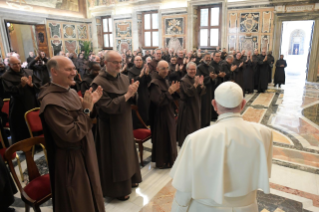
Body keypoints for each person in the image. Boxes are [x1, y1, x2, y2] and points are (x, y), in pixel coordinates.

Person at [170, 81, 273, 212]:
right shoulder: (264, 133)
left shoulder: (196, 139)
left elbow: (184, 188)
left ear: (214, 105)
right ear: (243, 104)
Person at [39, 56, 105, 212]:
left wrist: (91, 105)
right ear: (54, 72)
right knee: (78, 202)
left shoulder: (71, 92)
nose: (74, 72)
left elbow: (85, 117)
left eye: (74, 68)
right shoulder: (50, 102)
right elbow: (72, 134)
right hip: (72, 160)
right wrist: (87, 109)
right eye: (68, 69)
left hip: (85, 152)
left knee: (92, 192)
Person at [92, 51, 142, 201]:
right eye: (115, 62)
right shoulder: (98, 82)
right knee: (116, 157)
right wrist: (126, 95)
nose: (119, 65)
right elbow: (107, 106)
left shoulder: (125, 78)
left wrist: (134, 94)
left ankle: (131, 179)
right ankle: (118, 190)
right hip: (110, 127)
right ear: (105, 63)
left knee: (127, 152)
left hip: (125, 122)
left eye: (120, 62)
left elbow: (132, 99)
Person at [2, 56, 40, 144]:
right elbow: (8, 92)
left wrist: (32, 85)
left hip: (32, 101)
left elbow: (38, 84)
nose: (18, 66)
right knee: (21, 126)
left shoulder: (28, 72)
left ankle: (37, 143)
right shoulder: (5, 77)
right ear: (9, 65)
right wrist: (21, 85)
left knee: (35, 123)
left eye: (19, 63)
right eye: (14, 64)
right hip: (18, 105)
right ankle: (26, 145)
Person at [148, 60, 179, 168]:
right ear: (157, 69)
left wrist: (174, 92)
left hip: (168, 112)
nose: (166, 71)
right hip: (160, 116)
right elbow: (158, 101)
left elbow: (169, 96)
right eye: (163, 68)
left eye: (167, 68)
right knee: (163, 138)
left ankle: (170, 159)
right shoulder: (154, 83)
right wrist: (169, 92)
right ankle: (162, 161)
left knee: (170, 136)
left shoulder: (165, 81)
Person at [177, 62, 205, 146]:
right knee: (188, 126)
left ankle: (195, 141)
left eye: (194, 69)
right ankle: (187, 143)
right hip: (187, 107)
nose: (192, 71)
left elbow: (201, 92)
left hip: (196, 104)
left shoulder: (195, 78)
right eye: (191, 69)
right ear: (186, 70)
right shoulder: (183, 80)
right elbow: (187, 94)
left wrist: (201, 85)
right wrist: (196, 85)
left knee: (196, 123)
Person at [127, 56, 151, 128]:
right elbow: (131, 81)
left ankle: (147, 123)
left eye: (140, 60)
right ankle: (140, 125)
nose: (138, 61)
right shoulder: (131, 71)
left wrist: (147, 74)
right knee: (140, 108)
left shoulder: (144, 69)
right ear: (134, 62)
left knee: (147, 107)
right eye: (137, 60)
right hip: (137, 92)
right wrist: (140, 76)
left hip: (145, 91)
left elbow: (149, 81)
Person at [197, 54, 217, 128]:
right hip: (202, 90)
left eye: (209, 58)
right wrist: (209, 77)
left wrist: (213, 78)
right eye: (207, 58)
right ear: (203, 58)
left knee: (209, 107)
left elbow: (214, 79)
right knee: (203, 107)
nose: (208, 59)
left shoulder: (211, 67)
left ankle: (207, 123)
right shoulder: (199, 67)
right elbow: (199, 79)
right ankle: (202, 124)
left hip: (210, 90)